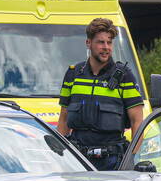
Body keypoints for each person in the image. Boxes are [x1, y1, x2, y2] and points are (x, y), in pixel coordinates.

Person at [56, 17, 144, 169]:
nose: (106, 47)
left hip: (112, 162)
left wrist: (130, 159)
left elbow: (137, 122)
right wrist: (60, 158)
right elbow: (63, 120)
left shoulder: (124, 76)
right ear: (88, 43)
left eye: (109, 42)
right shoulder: (73, 74)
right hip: (78, 160)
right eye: (100, 42)